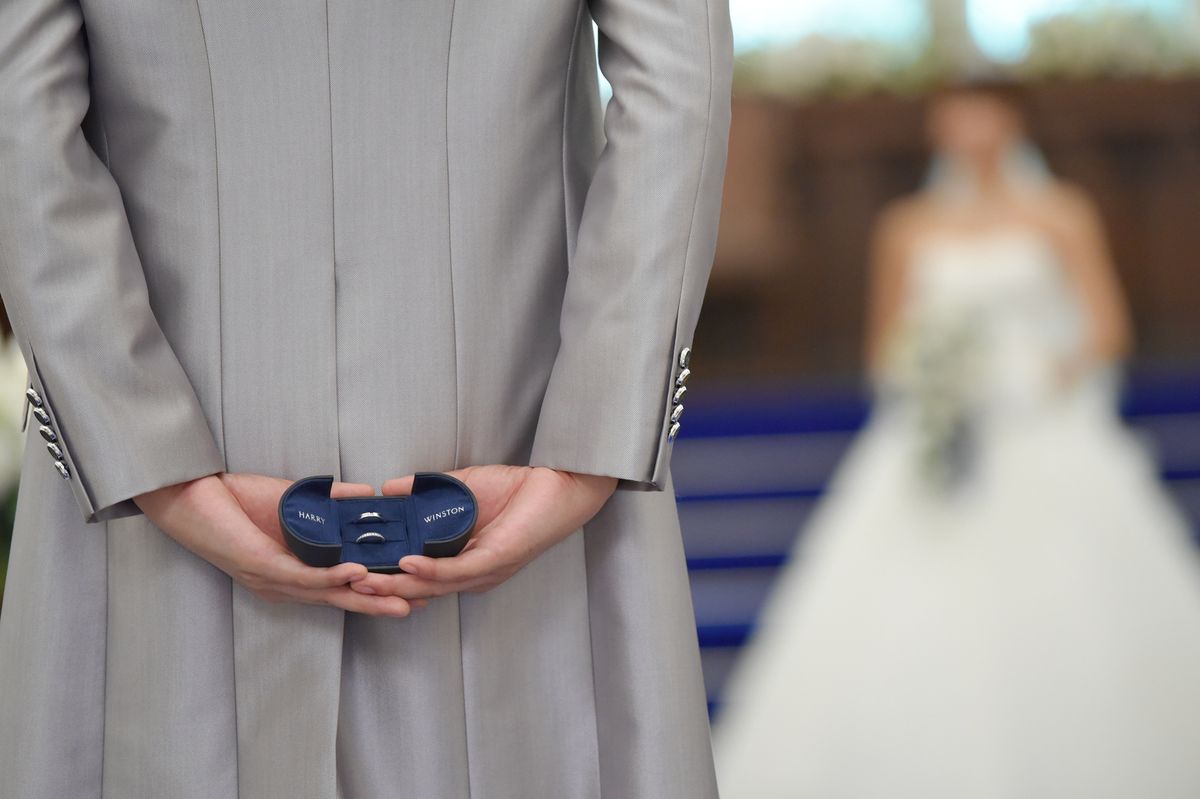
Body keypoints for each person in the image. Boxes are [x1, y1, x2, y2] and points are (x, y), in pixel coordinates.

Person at [0, 1, 732, 797]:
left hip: (160, 483)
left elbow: (19, 120)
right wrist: (596, 436)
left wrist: (133, 442)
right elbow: (677, 80)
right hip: (516, 452)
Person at [713, 87, 1200, 798]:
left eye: (982, 113)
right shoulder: (906, 224)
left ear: (1014, 121)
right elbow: (885, 346)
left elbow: (1107, 329)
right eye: (955, 117)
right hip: (940, 426)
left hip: (1042, 421)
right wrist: (939, 380)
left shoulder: (1060, 210)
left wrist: (1035, 371)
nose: (968, 130)